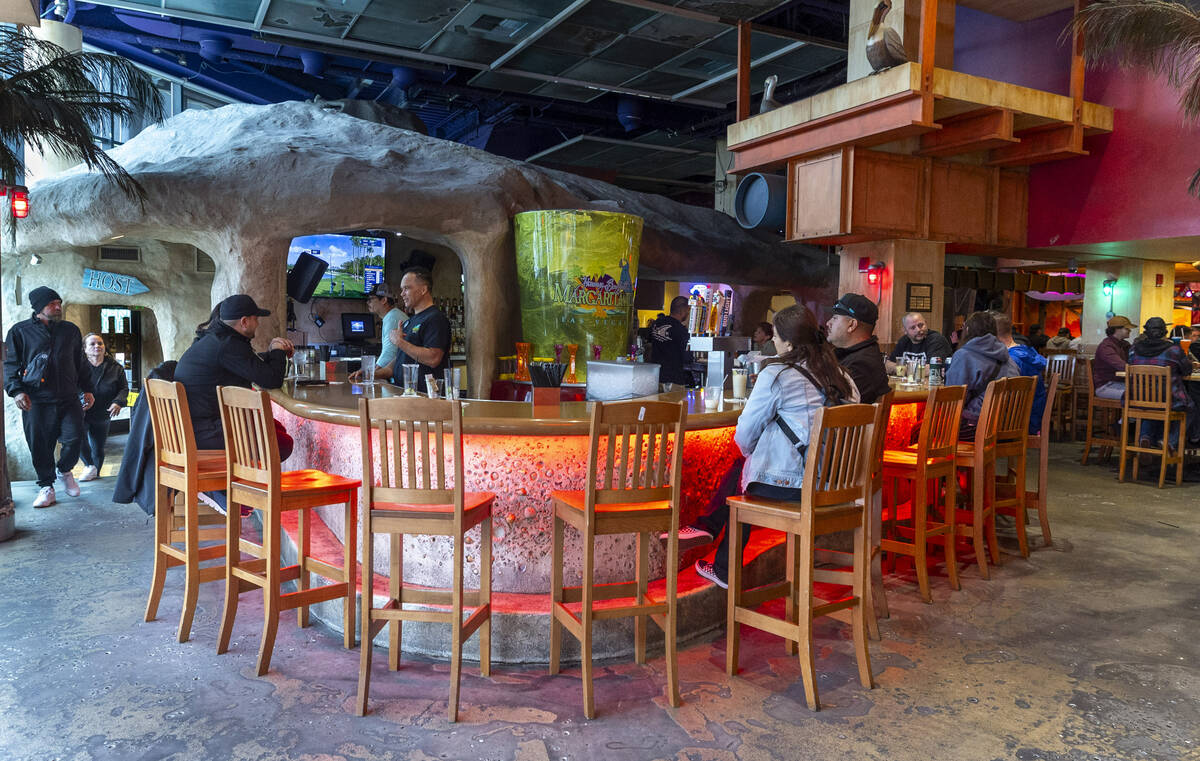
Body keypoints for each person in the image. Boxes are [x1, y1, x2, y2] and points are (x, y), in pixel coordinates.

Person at [678, 305, 859, 589]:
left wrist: (754, 453)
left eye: (776, 335)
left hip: (798, 486)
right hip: (838, 485)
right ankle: (709, 536)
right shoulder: (842, 375)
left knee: (745, 475)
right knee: (746, 470)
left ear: (789, 343)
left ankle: (716, 550)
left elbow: (744, 435)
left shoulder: (777, 374)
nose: (773, 341)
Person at [3, 287, 95, 508]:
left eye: (59, 303)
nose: (57, 307)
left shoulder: (70, 330)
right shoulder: (19, 332)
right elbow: (10, 365)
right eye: (52, 303)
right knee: (40, 445)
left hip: (69, 397)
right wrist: (16, 391)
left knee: (75, 438)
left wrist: (87, 389)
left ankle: (65, 470)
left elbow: (80, 362)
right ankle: (46, 487)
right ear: (38, 307)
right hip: (36, 400)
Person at [174, 294, 294, 458]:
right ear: (244, 322)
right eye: (256, 319)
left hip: (191, 428)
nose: (258, 324)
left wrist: (274, 352)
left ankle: (248, 472)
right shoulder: (228, 345)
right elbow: (272, 380)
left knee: (277, 428)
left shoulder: (216, 339)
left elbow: (245, 362)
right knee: (283, 443)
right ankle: (243, 473)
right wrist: (277, 350)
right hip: (204, 433)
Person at [355, 268, 449, 394]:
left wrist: (400, 342)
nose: (402, 294)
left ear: (423, 290)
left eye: (406, 288)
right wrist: (371, 374)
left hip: (425, 396)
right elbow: (398, 362)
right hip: (405, 394)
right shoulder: (411, 321)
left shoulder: (435, 318)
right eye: (402, 289)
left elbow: (433, 358)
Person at [1127, 316, 1198, 450]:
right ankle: (1168, 442)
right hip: (1169, 399)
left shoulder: (1133, 349)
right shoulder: (1174, 350)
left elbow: (1129, 364)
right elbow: (1187, 370)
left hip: (1138, 398)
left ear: (1146, 332)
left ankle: (1145, 438)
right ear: (1164, 332)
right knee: (1190, 408)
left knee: (1151, 404)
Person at [946, 310, 1020, 439]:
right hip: (1007, 426)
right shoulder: (1008, 358)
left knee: (917, 431)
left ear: (967, 330)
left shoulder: (964, 355)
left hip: (977, 427)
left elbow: (952, 398)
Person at [78, 333, 129, 481]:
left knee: (98, 447)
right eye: (92, 344)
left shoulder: (116, 368)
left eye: (100, 343)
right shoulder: (77, 366)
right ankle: (89, 465)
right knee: (77, 439)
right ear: (84, 349)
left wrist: (118, 402)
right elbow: (71, 385)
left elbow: (124, 389)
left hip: (102, 413)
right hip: (81, 411)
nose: (97, 346)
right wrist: (80, 397)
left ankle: (96, 474)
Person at [824, 293, 889, 404]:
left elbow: (834, 406)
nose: (828, 323)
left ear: (852, 325)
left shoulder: (861, 365)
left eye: (835, 318)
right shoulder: (853, 355)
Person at [994, 313, 1046, 434]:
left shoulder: (1011, 359)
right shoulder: (1027, 352)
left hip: (1017, 422)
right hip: (1034, 417)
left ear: (994, 336)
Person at [647, 296, 694, 386]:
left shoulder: (657, 323)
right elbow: (688, 357)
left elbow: (649, 344)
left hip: (656, 376)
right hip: (674, 379)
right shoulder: (681, 330)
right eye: (688, 310)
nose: (688, 313)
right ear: (683, 310)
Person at [885, 312, 952, 372]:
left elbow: (932, 369)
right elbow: (887, 365)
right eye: (913, 328)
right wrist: (912, 370)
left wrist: (901, 369)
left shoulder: (936, 340)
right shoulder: (904, 341)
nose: (918, 330)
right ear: (905, 331)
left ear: (926, 323)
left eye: (921, 325)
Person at [365, 281, 404, 372]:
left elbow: (389, 354)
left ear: (384, 300)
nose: (367, 302)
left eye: (371, 299)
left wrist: (371, 374)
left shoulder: (392, 318)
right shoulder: (392, 315)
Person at [1093, 315, 1133, 400]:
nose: (1130, 330)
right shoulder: (1106, 346)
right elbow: (1121, 366)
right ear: (1117, 330)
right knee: (1137, 394)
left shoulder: (1123, 344)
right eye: (1127, 328)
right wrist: (1140, 370)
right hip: (1105, 386)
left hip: (1118, 383)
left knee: (1143, 391)